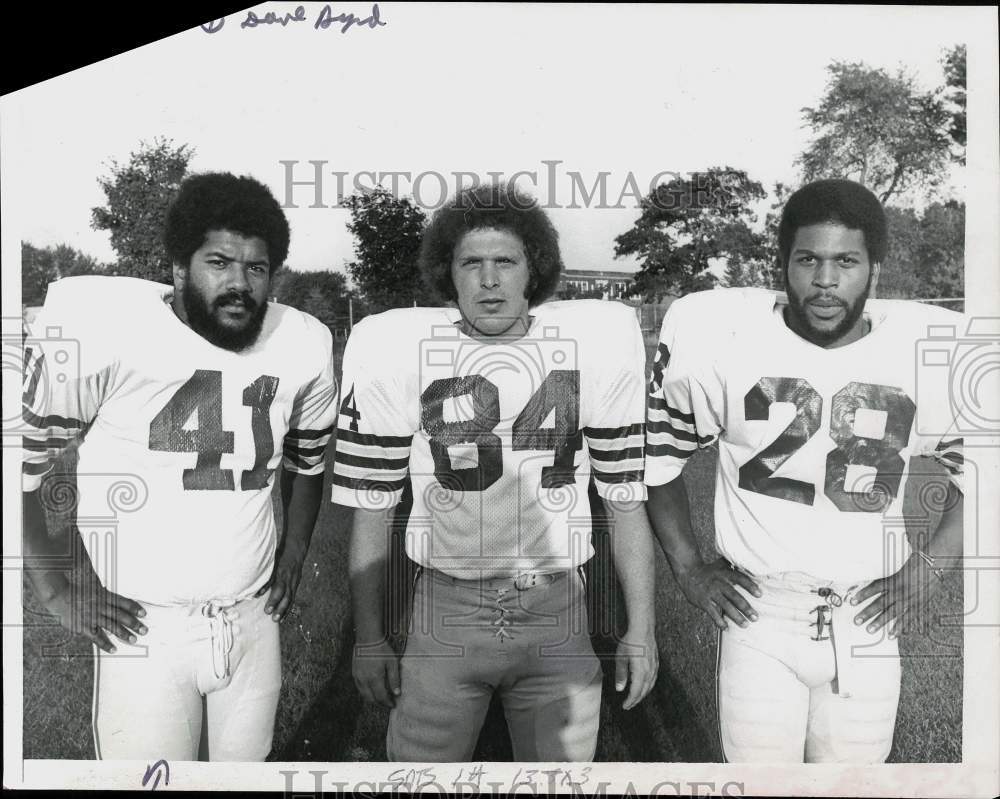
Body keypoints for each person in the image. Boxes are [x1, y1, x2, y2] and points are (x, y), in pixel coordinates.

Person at [334, 183, 658, 762]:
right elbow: (372, 507)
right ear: (447, 273)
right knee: (420, 778)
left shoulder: (593, 347)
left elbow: (626, 502)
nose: (489, 280)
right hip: (446, 607)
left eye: (505, 261)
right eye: (471, 263)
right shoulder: (398, 350)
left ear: (534, 270)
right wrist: (369, 637)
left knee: (560, 781)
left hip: (557, 607)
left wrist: (643, 627)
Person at [644, 178, 964, 763]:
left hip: (867, 619)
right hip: (760, 615)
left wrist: (933, 566)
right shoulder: (726, 342)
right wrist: (688, 568)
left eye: (846, 261)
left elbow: (985, 471)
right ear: (783, 264)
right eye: (808, 259)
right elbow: (659, 460)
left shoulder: (926, 352)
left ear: (874, 270)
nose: (825, 280)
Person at [21, 172, 338, 761]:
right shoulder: (114, 332)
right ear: (178, 268)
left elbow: (308, 461)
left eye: (257, 267)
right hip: (144, 624)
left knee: (247, 780)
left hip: (253, 619)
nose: (239, 283)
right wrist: (55, 587)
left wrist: (295, 550)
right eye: (219, 263)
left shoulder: (302, 342)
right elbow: (21, 464)